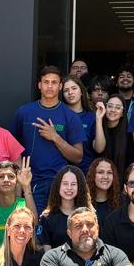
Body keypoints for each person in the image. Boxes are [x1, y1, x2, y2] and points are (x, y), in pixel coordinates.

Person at [12, 66, 85, 209]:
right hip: (31, 184)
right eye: (46, 82)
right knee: (34, 228)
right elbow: (13, 151)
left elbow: (78, 157)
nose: (50, 86)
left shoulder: (70, 116)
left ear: (60, 86)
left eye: (54, 82)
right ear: (39, 85)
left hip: (61, 184)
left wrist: (55, 137)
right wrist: (19, 186)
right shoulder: (24, 112)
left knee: (59, 229)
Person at [37, 165, 90, 249]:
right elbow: (46, 251)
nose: (69, 188)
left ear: (79, 187)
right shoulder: (47, 218)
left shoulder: (89, 215)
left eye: (73, 184)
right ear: (58, 186)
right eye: (65, 184)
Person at [62, 76, 100, 172]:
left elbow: (99, 149)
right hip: (62, 171)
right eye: (66, 90)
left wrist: (99, 119)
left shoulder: (91, 116)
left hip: (86, 171)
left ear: (82, 92)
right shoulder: (59, 115)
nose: (70, 92)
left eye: (74, 88)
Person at [93, 93, 132, 170]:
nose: (113, 110)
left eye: (118, 107)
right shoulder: (97, 126)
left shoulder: (129, 134)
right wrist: (99, 119)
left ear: (122, 113)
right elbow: (99, 149)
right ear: (105, 108)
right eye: (110, 106)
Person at [87, 157, 122, 225]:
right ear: (93, 175)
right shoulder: (84, 201)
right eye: (100, 172)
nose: (105, 177)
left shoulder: (121, 202)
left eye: (109, 172)